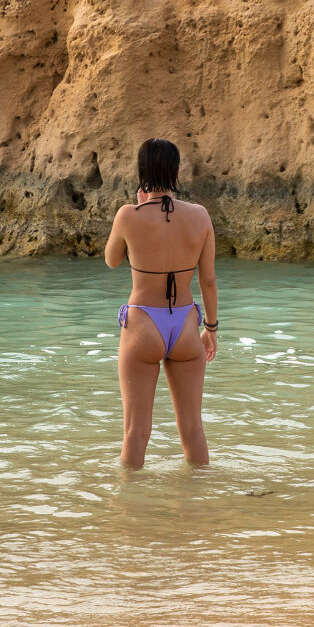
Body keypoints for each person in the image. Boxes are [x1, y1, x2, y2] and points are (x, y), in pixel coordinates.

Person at [103, 139, 218, 468]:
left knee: (135, 432)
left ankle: (129, 498)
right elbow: (208, 280)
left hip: (143, 324)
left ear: (141, 173)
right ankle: (201, 495)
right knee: (193, 430)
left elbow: (111, 260)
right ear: (177, 172)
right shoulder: (200, 216)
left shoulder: (128, 215)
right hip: (185, 325)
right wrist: (211, 328)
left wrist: (137, 208)